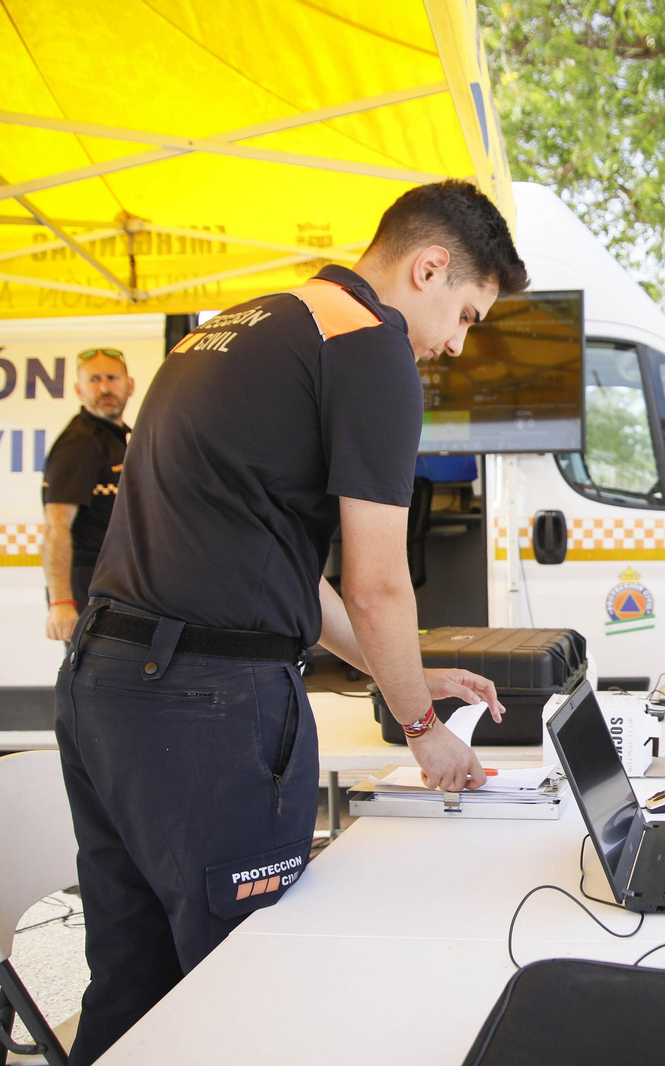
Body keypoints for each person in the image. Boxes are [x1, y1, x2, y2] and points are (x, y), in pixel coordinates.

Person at [55, 180, 530, 1064]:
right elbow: (380, 581)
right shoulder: (369, 347)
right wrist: (422, 730)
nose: (454, 346)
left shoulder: (243, 325)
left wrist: (403, 676)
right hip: (207, 707)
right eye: (465, 314)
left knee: (134, 987)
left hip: (106, 688)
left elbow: (285, 570)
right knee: (249, 993)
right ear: (429, 267)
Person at [41, 348, 135, 641]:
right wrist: (61, 603)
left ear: (130, 385)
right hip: (88, 590)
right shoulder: (80, 443)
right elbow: (56, 525)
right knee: (95, 681)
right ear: (78, 389)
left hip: (117, 588)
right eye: (94, 380)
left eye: (112, 378)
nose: (105, 388)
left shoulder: (120, 438)